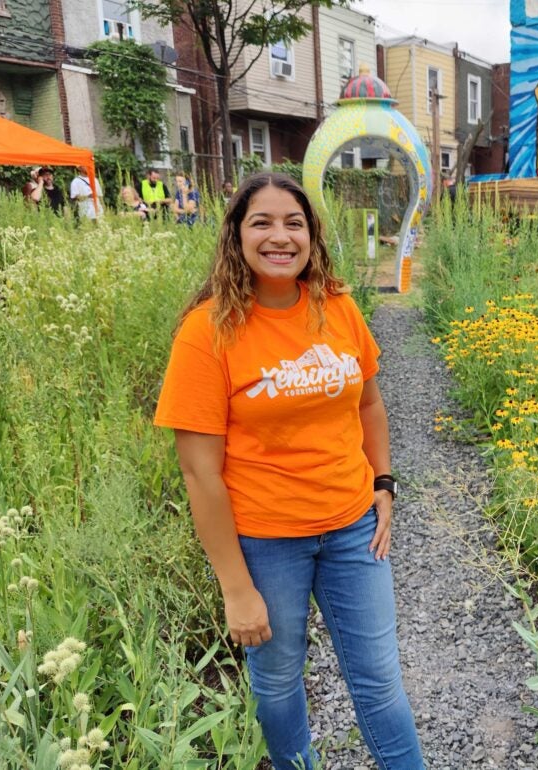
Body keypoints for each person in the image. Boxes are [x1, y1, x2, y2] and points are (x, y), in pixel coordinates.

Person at [153, 172, 424, 770]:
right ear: (236, 236)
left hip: (354, 531)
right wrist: (235, 587)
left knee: (380, 681)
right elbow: (201, 473)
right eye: (262, 223)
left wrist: (384, 482)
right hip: (267, 543)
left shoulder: (338, 306)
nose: (280, 237)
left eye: (293, 223)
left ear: (312, 235)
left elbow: (370, 403)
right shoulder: (208, 332)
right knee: (277, 683)